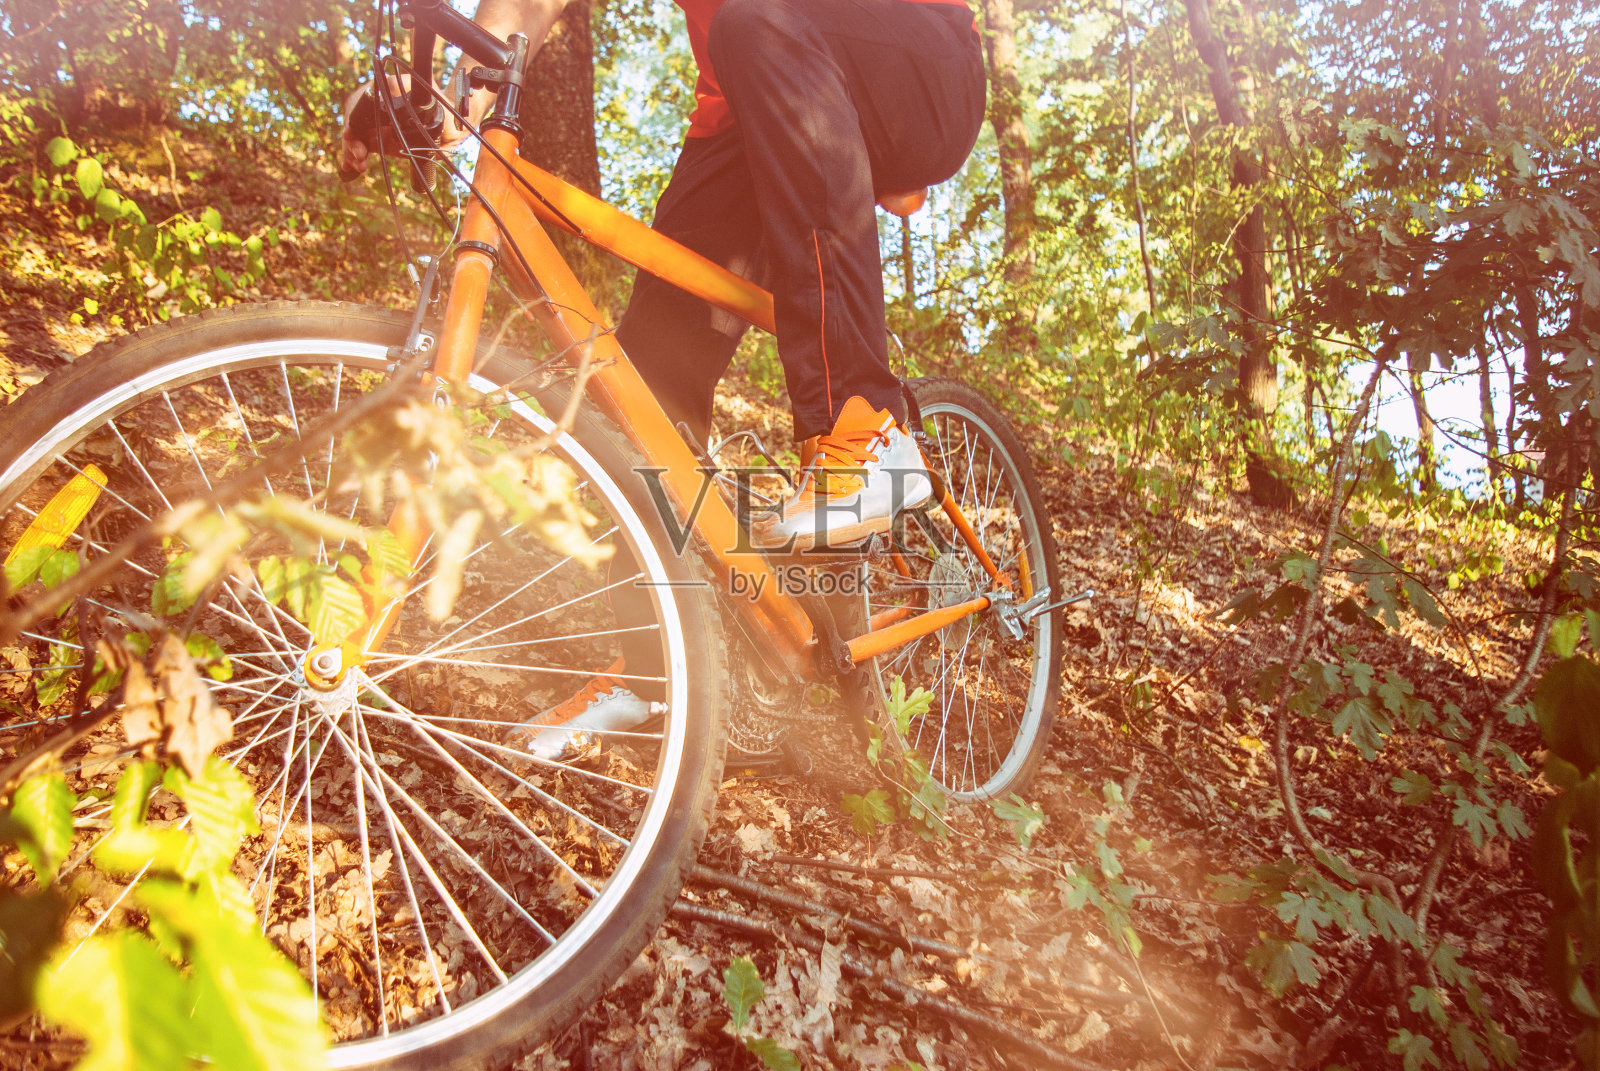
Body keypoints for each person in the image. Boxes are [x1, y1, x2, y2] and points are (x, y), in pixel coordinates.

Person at [342, 0, 986, 755]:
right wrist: (458, 90)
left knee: (754, 22)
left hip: (917, 57)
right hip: (754, 99)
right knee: (644, 387)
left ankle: (866, 427)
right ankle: (652, 672)